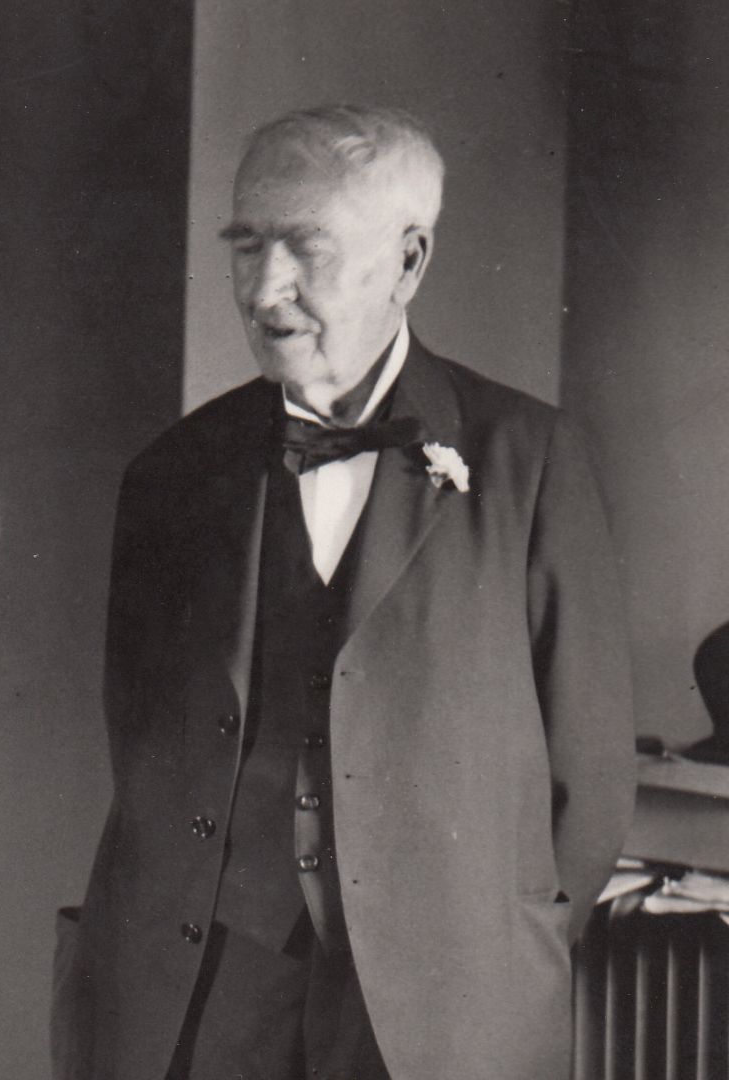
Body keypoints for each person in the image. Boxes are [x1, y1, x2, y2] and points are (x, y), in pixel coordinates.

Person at [52, 105, 635, 1080]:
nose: (266, 289)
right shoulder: (173, 472)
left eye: (306, 251)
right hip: (210, 992)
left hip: (444, 1012)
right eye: (247, 247)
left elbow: (589, 785)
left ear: (409, 261)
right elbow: (145, 739)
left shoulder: (528, 460)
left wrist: (483, 960)